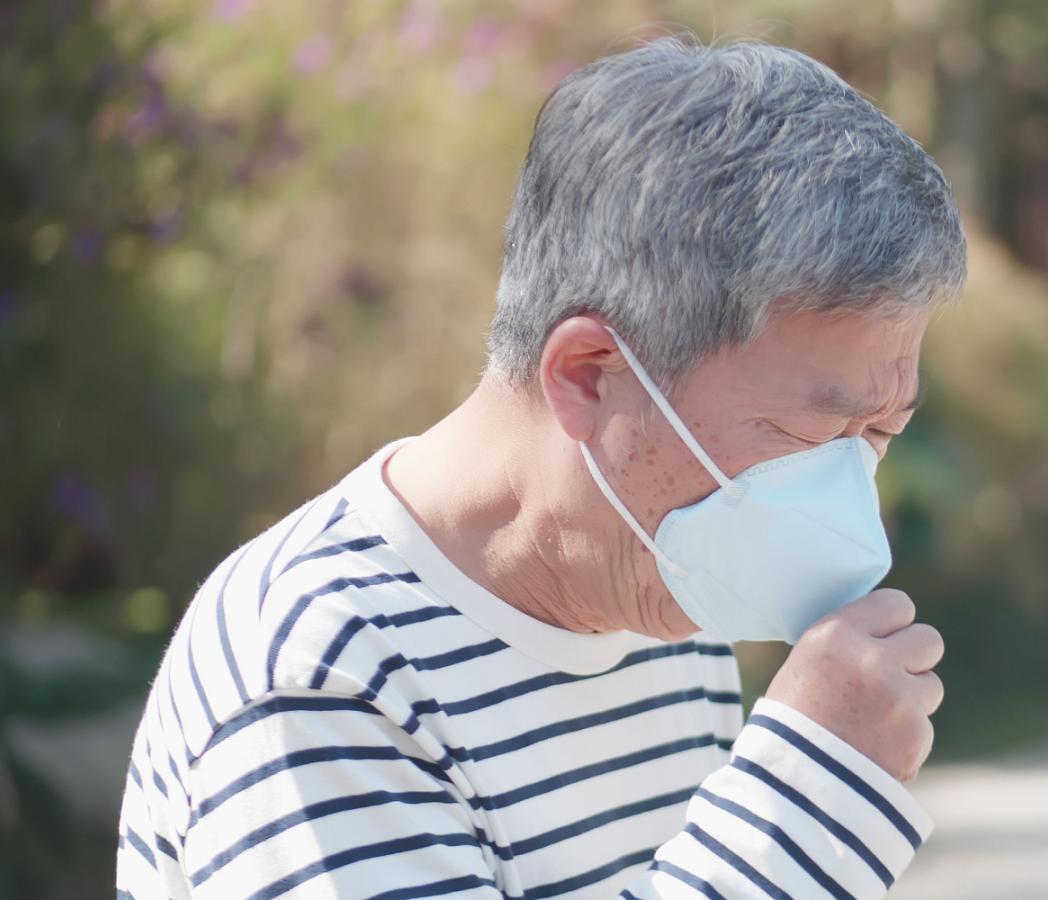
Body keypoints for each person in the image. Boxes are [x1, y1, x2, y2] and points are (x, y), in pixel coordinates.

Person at [116, 37, 966, 900]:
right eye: (804, 434)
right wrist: (805, 800)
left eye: (879, 433)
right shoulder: (319, 671)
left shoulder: (669, 596)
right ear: (588, 375)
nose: (847, 496)